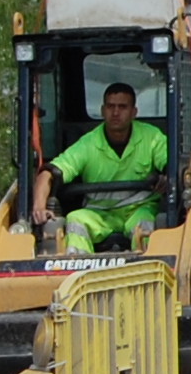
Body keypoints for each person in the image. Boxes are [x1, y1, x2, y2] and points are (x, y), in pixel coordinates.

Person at [35, 82, 169, 254]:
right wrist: (39, 206)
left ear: (134, 112)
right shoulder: (88, 144)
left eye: (122, 107)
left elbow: (170, 162)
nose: (115, 113)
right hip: (99, 213)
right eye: (111, 106)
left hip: (138, 210)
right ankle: (76, 272)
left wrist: (167, 176)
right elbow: (49, 173)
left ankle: (148, 266)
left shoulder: (151, 138)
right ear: (102, 110)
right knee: (75, 220)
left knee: (146, 223)